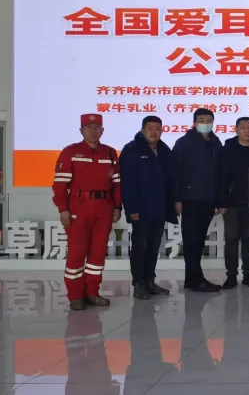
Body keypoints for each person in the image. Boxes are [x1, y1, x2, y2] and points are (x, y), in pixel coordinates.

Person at [53, 113, 122, 310]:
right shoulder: (71, 152)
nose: (93, 131)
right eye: (88, 128)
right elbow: (59, 185)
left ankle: (92, 292)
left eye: (97, 127)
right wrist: (63, 209)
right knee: (76, 253)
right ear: (81, 131)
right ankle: (75, 295)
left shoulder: (110, 153)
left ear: (103, 130)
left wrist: (117, 206)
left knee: (98, 254)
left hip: (103, 208)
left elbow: (117, 184)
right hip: (78, 208)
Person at [120, 115, 176, 300]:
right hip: (141, 209)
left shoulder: (164, 150)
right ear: (143, 130)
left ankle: (150, 281)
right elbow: (127, 183)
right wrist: (132, 209)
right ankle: (139, 284)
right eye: (150, 129)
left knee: (153, 246)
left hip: (159, 208)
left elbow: (170, 180)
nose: (154, 132)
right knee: (140, 246)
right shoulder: (132, 150)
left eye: (157, 129)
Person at [171, 108, 224, 293]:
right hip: (190, 199)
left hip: (208, 199)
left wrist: (219, 199)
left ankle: (191, 279)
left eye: (209, 120)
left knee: (199, 240)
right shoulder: (184, 143)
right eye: (201, 120)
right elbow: (175, 172)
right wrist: (177, 198)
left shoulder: (216, 143)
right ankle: (196, 279)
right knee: (192, 240)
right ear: (194, 123)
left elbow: (220, 174)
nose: (205, 123)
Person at [216, 116, 249, 289]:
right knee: (231, 239)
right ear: (236, 130)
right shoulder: (227, 150)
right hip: (231, 204)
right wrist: (221, 201)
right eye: (243, 127)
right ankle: (231, 275)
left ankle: (248, 275)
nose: (246, 130)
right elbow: (221, 177)